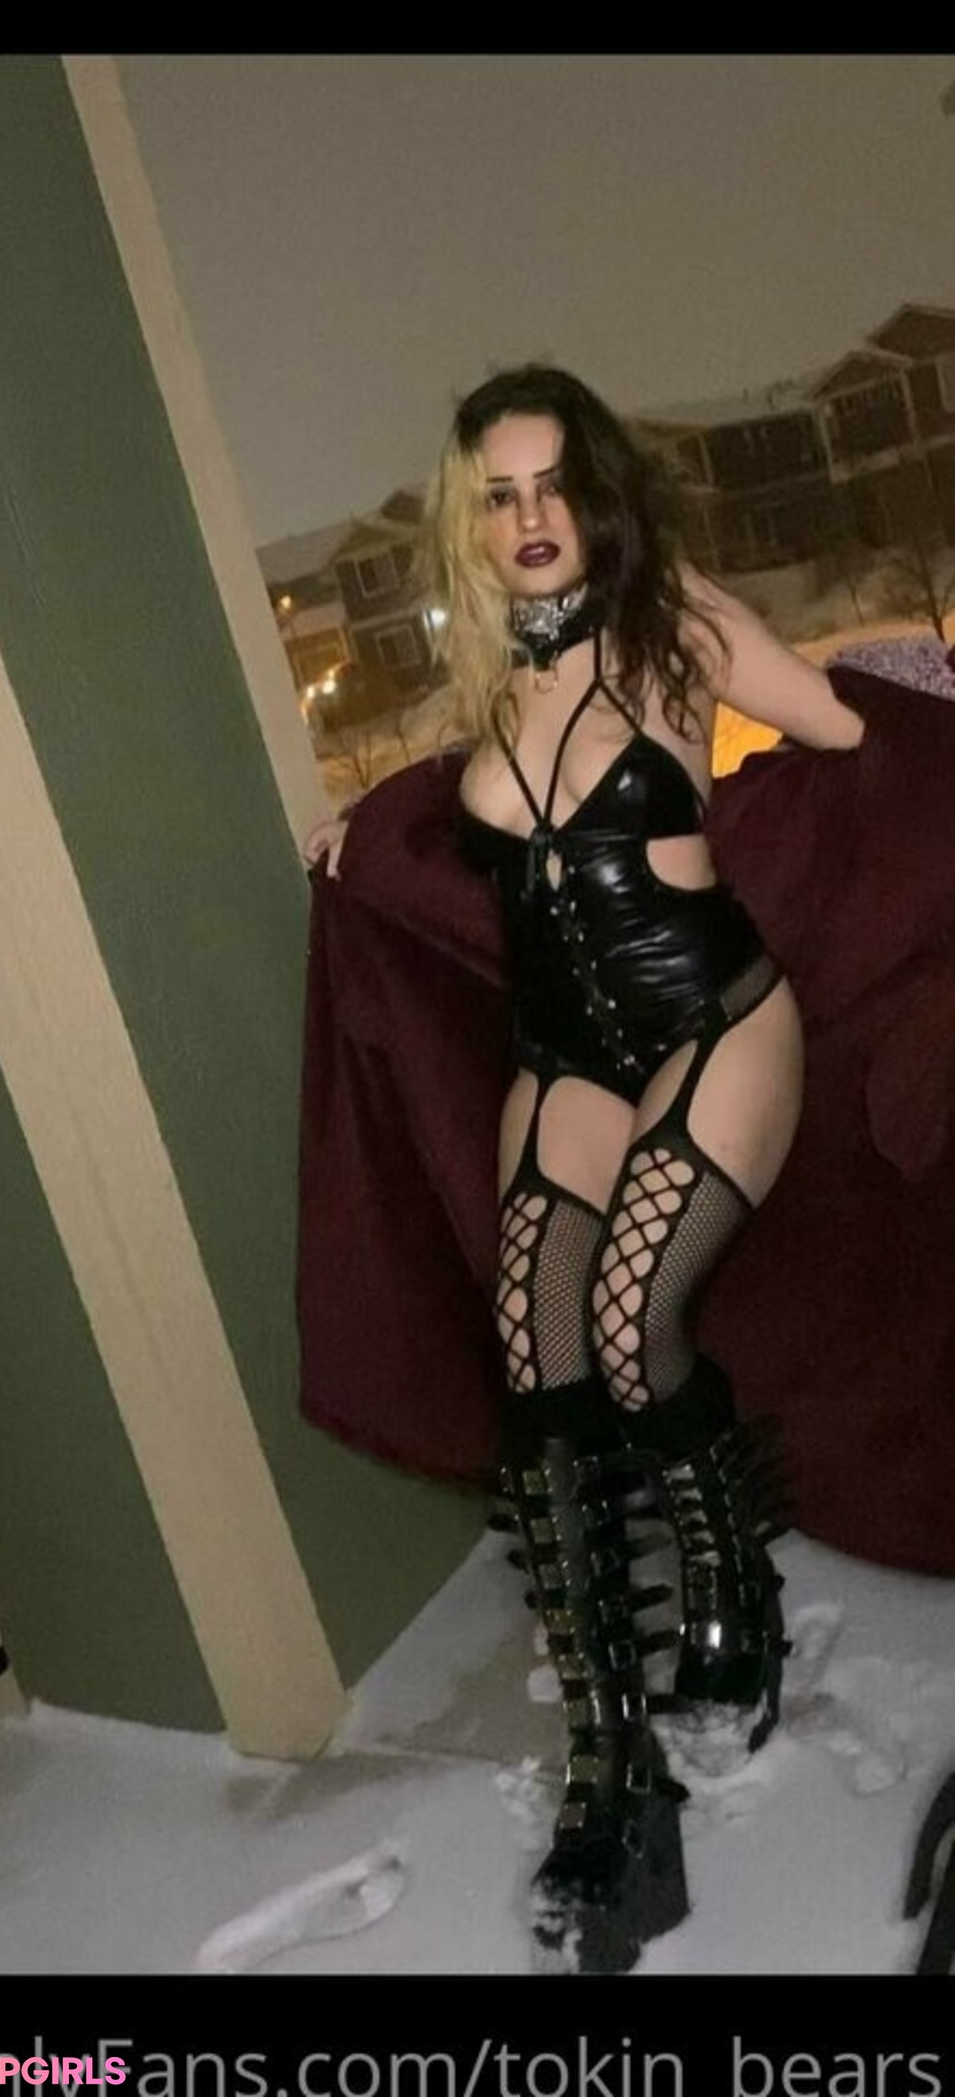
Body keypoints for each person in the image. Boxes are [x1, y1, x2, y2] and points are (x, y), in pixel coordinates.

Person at [303, 363, 870, 1977]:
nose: (531, 516)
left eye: (554, 483)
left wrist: (811, 666)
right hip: (565, 1059)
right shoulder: (491, 693)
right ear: (471, 526)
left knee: (631, 1332)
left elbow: (840, 726)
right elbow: (458, 808)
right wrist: (358, 832)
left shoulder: (670, 630)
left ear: (597, 493)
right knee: (537, 1375)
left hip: (713, 1018)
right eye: (499, 495)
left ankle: (733, 1600)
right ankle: (613, 1767)